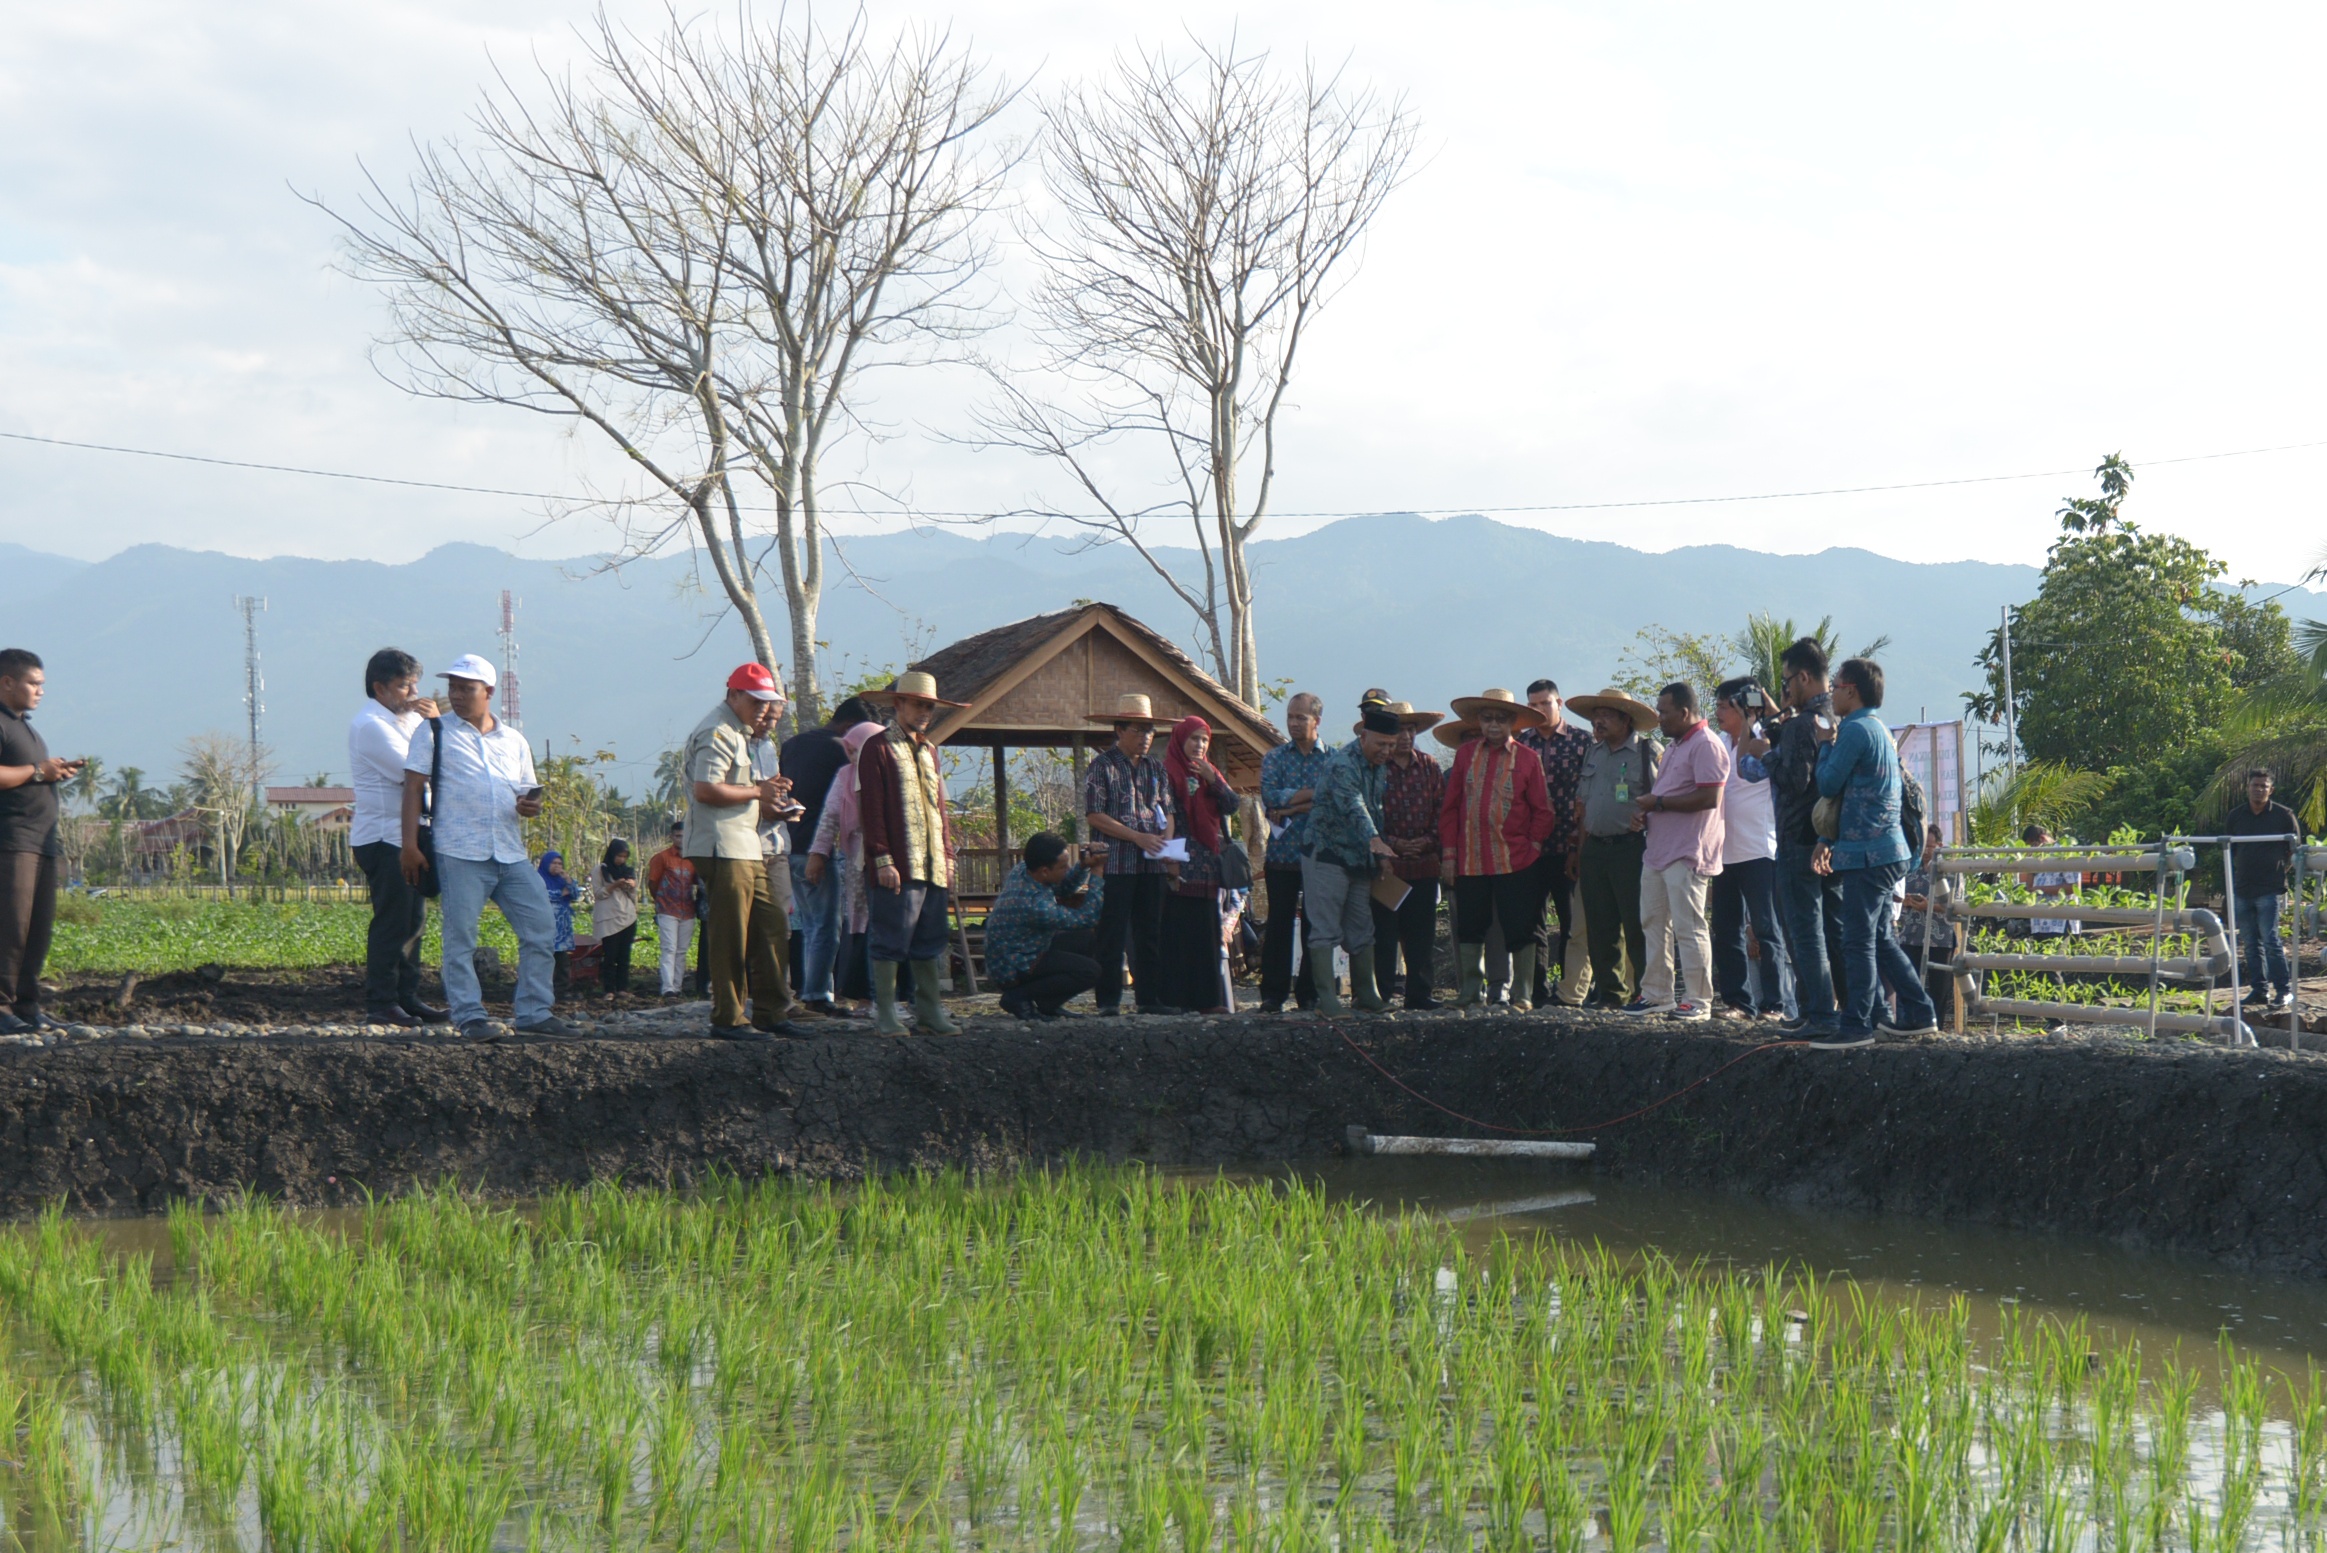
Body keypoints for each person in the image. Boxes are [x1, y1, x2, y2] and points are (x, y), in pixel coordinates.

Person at [399, 653, 571, 1040]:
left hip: (509, 852)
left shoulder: (514, 741)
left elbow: (530, 798)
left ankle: (533, 1012)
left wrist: (531, 806)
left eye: (466, 688)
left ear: (488, 691)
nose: (456, 695)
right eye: (453, 688)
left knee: (541, 928)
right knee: (460, 937)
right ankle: (469, 1016)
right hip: (458, 850)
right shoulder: (434, 732)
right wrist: (408, 845)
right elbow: (412, 788)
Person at [1811, 657, 1937, 1047]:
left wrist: (1823, 748)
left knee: (1858, 941)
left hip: (1868, 853)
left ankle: (1857, 1025)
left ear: (1851, 689)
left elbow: (1830, 784)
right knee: (1880, 938)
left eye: (1836, 687)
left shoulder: (1853, 730)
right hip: (1887, 850)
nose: (1832, 693)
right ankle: (1917, 1012)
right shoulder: (1878, 729)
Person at [684, 663, 809, 1040]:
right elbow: (706, 790)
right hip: (721, 845)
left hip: (745, 845)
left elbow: (731, 784)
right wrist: (758, 791)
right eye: (754, 701)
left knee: (771, 925)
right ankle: (729, 1017)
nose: (760, 710)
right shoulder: (718, 731)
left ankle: (773, 1012)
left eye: (765, 703)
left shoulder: (740, 732)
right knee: (731, 934)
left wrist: (766, 788)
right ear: (733, 695)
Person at [857, 670, 965, 1036]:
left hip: (932, 861)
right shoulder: (878, 747)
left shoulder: (929, 750)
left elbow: (939, 809)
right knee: (890, 937)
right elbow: (871, 809)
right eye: (919, 704)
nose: (924, 712)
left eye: (929, 706)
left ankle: (929, 1009)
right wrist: (882, 858)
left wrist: (948, 857)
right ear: (899, 704)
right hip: (898, 865)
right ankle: (885, 1012)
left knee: (930, 939)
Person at [1437, 688, 1555, 1010]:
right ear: (1479, 721)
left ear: (1513, 723)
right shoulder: (1465, 756)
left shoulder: (1529, 759)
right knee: (1471, 926)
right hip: (1471, 859)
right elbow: (1450, 808)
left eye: (1500, 719)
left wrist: (1531, 846)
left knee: (1520, 926)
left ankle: (1524, 994)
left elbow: (1543, 811)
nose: (1493, 725)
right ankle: (1470, 992)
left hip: (1515, 859)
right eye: (1487, 718)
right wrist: (1450, 854)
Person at [346, 647, 444, 1027]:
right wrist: (436, 726)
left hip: (408, 835)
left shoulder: (401, 720)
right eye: (404, 686)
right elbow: (414, 772)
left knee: (413, 921)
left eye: (415, 684)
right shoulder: (372, 725)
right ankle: (381, 1002)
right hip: (385, 838)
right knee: (393, 922)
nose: (413, 693)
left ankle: (407, 997)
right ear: (379, 688)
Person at [1621, 683, 1728, 1020]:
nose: (1659, 718)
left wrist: (1660, 803)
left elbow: (1711, 798)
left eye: (1664, 712)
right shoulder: (1674, 746)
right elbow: (1668, 795)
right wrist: (1648, 813)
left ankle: (1698, 1000)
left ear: (1684, 712)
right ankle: (1657, 994)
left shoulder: (1706, 745)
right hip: (1658, 851)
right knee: (1653, 922)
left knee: (1688, 926)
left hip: (1688, 851)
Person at [1565, 688, 1662, 1010]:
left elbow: (1664, 802)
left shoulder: (1648, 752)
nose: (1598, 721)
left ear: (1625, 719)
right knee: (1600, 925)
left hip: (1631, 849)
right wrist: (1579, 849)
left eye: (1606, 715)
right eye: (1596, 715)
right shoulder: (1594, 753)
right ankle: (1611, 994)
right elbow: (1584, 804)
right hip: (1595, 847)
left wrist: (1645, 819)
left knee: (1637, 923)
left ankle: (1646, 993)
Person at [1083, 692, 1179, 1016]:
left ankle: (1149, 999)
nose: (1145, 737)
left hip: (1151, 866)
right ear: (1119, 730)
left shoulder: (1156, 768)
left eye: (1149, 730)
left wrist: (1165, 843)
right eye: (1138, 730)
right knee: (1112, 935)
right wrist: (1136, 837)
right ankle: (1108, 1001)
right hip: (1116, 865)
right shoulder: (1102, 767)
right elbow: (1095, 815)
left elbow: (1168, 810)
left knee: (1149, 933)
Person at [0, 649, 80, 1037]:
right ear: (7, 682)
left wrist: (51, 772)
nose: (40, 691)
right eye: (34, 683)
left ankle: (27, 1006)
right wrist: (37, 772)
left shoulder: (24, 726)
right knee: (9, 928)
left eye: (42, 684)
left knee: (37, 929)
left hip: (40, 843)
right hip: (10, 841)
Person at [1768, 638, 1846, 1033]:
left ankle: (1818, 1013)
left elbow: (1795, 781)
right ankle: (1847, 1010)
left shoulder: (1800, 725)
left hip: (1798, 840)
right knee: (1835, 930)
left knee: (1804, 932)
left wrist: (1768, 754)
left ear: (1802, 676)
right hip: (1831, 840)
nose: (1786, 690)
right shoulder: (1839, 718)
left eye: (1787, 681)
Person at [1302, 703, 1401, 1014]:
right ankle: (1326, 999)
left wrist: (1380, 853)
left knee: (1361, 927)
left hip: (1360, 860)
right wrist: (1375, 840)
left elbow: (1376, 811)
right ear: (1364, 736)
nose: (1386, 751)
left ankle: (1367, 993)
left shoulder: (1380, 767)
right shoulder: (1342, 764)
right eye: (1381, 744)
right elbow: (1354, 806)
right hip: (1327, 854)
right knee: (1326, 927)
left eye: (1391, 745)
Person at [780, 697, 874, 1017]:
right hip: (816, 848)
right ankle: (818, 994)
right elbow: (842, 804)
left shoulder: (792, 744)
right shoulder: (840, 751)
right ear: (851, 730)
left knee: (808, 924)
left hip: (787, 843)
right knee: (826, 925)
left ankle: (811, 988)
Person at [1709, 677, 1794, 1022]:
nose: (1717, 712)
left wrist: (1760, 710)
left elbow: (1786, 719)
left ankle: (1773, 1004)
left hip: (1759, 847)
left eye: (1723, 705)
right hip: (1721, 850)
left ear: (1742, 708)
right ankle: (1737, 1002)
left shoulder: (1764, 737)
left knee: (1766, 929)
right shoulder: (1714, 743)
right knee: (1726, 929)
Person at [1159, 715, 1244, 1014]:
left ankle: (1208, 1001)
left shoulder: (1211, 772)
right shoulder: (1168, 771)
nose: (1199, 744)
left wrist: (1213, 779)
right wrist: (1169, 859)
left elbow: (1232, 805)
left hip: (1208, 869)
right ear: (1181, 740)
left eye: (1204, 739)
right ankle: (1177, 1000)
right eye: (1194, 738)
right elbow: (1165, 817)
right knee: (1178, 934)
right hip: (1179, 865)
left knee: (1206, 935)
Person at [1519, 679, 1592, 1008]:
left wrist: (1578, 844)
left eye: (1544, 704)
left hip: (1569, 846)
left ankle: (1568, 989)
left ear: (1558, 703)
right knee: (1532, 921)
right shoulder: (1521, 744)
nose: (1539, 710)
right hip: (1530, 849)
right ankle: (1536, 988)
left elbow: (1587, 797)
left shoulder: (1581, 741)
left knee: (1570, 922)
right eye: (1532, 705)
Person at [807, 719, 887, 1011]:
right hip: (857, 861)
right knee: (862, 923)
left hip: (892, 860)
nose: (854, 759)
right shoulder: (844, 776)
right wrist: (819, 853)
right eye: (850, 753)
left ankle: (892, 997)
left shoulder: (892, 775)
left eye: (860, 752)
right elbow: (829, 818)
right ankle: (866, 997)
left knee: (890, 924)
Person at [986, 833, 1111, 1019]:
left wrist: (1084, 865)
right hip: (1014, 966)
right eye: (1063, 866)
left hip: (1023, 950)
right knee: (1090, 971)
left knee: (1087, 939)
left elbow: (1063, 887)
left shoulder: (1023, 870)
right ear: (1045, 870)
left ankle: (1048, 1003)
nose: (1067, 869)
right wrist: (1097, 871)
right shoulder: (1036, 906)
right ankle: (1017, 997)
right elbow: (1088, 918)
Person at [1257, 692, 1330, 1014]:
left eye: (1301, 717)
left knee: (1315, 924)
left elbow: (1334, 802)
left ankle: (1310, 993)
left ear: (1317, 720)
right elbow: (1272, 799)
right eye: (1290, 716)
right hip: (1282, 853)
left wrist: (1293, 806)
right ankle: (1273, 994)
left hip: (1320, 854)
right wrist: (1312, 798)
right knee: (1279, 924)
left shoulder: (1332, 759)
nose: (1294, 723)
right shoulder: (1274, 758)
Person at [1371, 703, 1446, 1009]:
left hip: (1425, 864)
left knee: (1422, 934)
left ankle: (1420, 994)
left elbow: (1442, 812)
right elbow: (1369, 816)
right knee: (1385, 934)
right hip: (1388, 867)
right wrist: (1396, 844)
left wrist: (1427, 841)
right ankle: (1383, 994)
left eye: (1411, 729)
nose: (1405, 736)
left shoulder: (1429, 766)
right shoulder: (1376, 769)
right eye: (1399, 729)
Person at [2226, 769, 2300, 1011]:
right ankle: (2259, 990)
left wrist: (2278, 873)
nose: (2258, 789)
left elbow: (2294, 852)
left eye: (2263, 786)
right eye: (2254, 785)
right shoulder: (2236, 816)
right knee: (2249, 942)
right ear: (2247, 788)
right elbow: (2230, 851)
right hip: (2242, 888)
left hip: (2269, 888)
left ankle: (2283, 990)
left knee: (2270, 939)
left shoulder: (2283, 815)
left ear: (2271, 790)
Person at [1900, 822, 1960, 1026]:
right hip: (1911, 934)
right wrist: (1906, 902)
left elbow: (1953, 904)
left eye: (1930, 846)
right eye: (1922, 845)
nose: (1925, 851)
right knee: (1908, 982)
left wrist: (1928, 906)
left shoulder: (1949, 870)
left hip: (1939, 938)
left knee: (1939, 989)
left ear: (1940, 845)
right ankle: (1911, 1024)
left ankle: (1937, 1027)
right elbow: (1898, 896)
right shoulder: (1910, 867)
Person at [644, 824, 698, 997]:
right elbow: (653, 882)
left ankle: (677, 986)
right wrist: (660, 900)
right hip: (667, 909)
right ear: (672, 837)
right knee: (669, 948)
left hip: (688, 909)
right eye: (677, 836)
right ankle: (667, 987)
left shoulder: (693, 859)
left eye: (683, 836)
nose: (680, 839)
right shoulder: (662, 858)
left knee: (682, 950)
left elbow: (697, 882)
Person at [591, 839, 639, 995]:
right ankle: (609, 990)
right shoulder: (600, 870)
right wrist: (614, 885)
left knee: (624, 956)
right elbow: (599, 893)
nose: (621, 860)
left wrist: (630, 885)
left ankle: (622, 988)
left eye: (625, 856)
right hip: (609, 917)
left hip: (628, 916)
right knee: (610, 956)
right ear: (612, 854)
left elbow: (633, 895)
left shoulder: (628, 871)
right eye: (619, 856)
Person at [537, 850, 580, 999]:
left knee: (562, 959)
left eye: (560, 863)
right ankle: (542, 989)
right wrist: (560, 894)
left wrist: (568, 880)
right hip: (544, 924)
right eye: (554, 863)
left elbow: (575, 894)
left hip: (562, 927)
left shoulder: (562, 880)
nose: (557, 866)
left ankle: (562, 990)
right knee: (544, 958)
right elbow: (543, 895)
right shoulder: (538, 879)